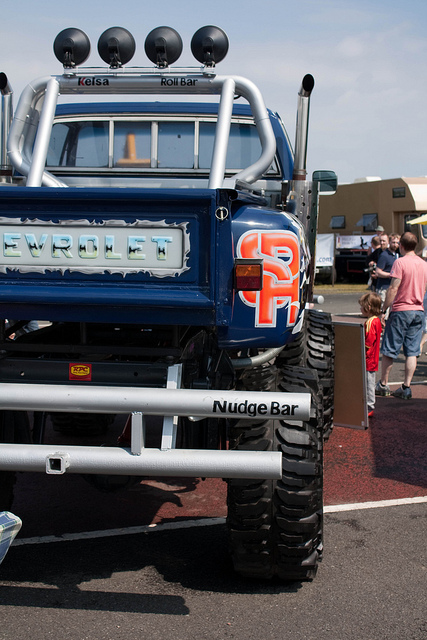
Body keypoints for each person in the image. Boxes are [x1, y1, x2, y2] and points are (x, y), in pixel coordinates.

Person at [375, 232, 427, 399]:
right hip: (418, 309)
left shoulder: (400, 262)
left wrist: (384, 309)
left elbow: (393, 288)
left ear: (401, 246)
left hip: (401, 309)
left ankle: (383, 384)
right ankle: (406, 386)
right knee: (412, 351)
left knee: (390, 348)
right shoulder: (423, 264)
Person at [359, 292, 382, 417]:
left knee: (368, 383)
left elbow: (368, 341)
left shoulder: (370, 322)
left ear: (368, 308)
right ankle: (368, 404)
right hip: (373, 358)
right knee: (370, 382)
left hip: (368, 359)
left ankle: (369, 406)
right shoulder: (376, 321)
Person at [374, 233, 400, 307]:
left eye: (397, 243)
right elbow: (378, 272)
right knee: (383, 310)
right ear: (389, 242)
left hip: (393, 287)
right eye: (393, 242)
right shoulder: (384, 255)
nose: (395, 245)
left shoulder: (397, 255)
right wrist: (391, 275)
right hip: (383, 288)